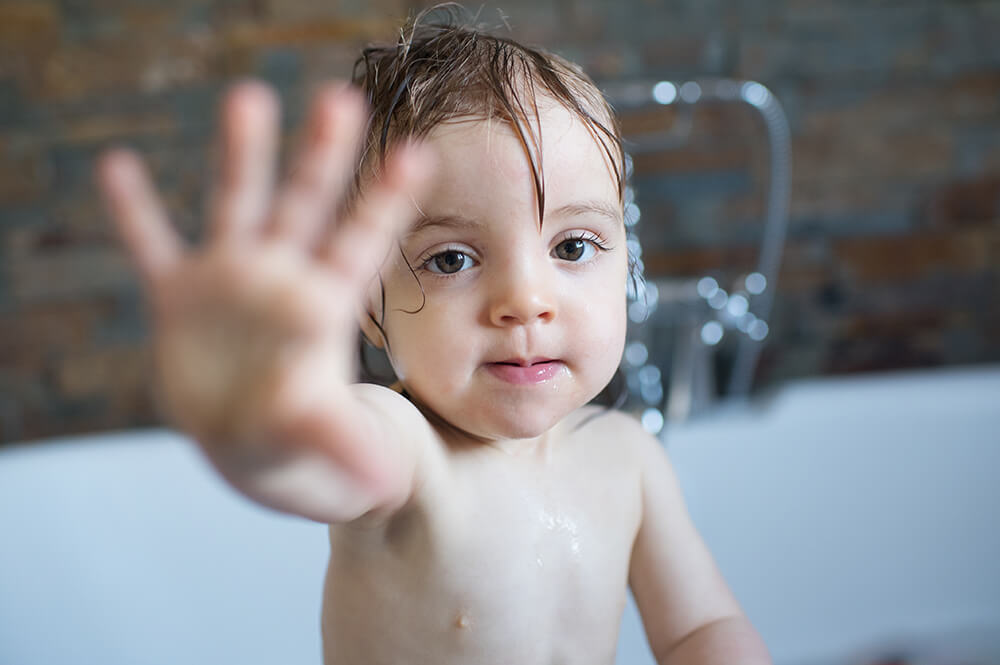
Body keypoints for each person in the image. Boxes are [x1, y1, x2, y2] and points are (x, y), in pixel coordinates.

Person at [96, 10, 771, 665]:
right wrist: (257, 407)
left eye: (572, 244)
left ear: (627, 261)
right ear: (369, 305)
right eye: (452, 258)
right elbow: (309, 455)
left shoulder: (630, 459)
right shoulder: (407, 452)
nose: (526, 301)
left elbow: (700, 626)